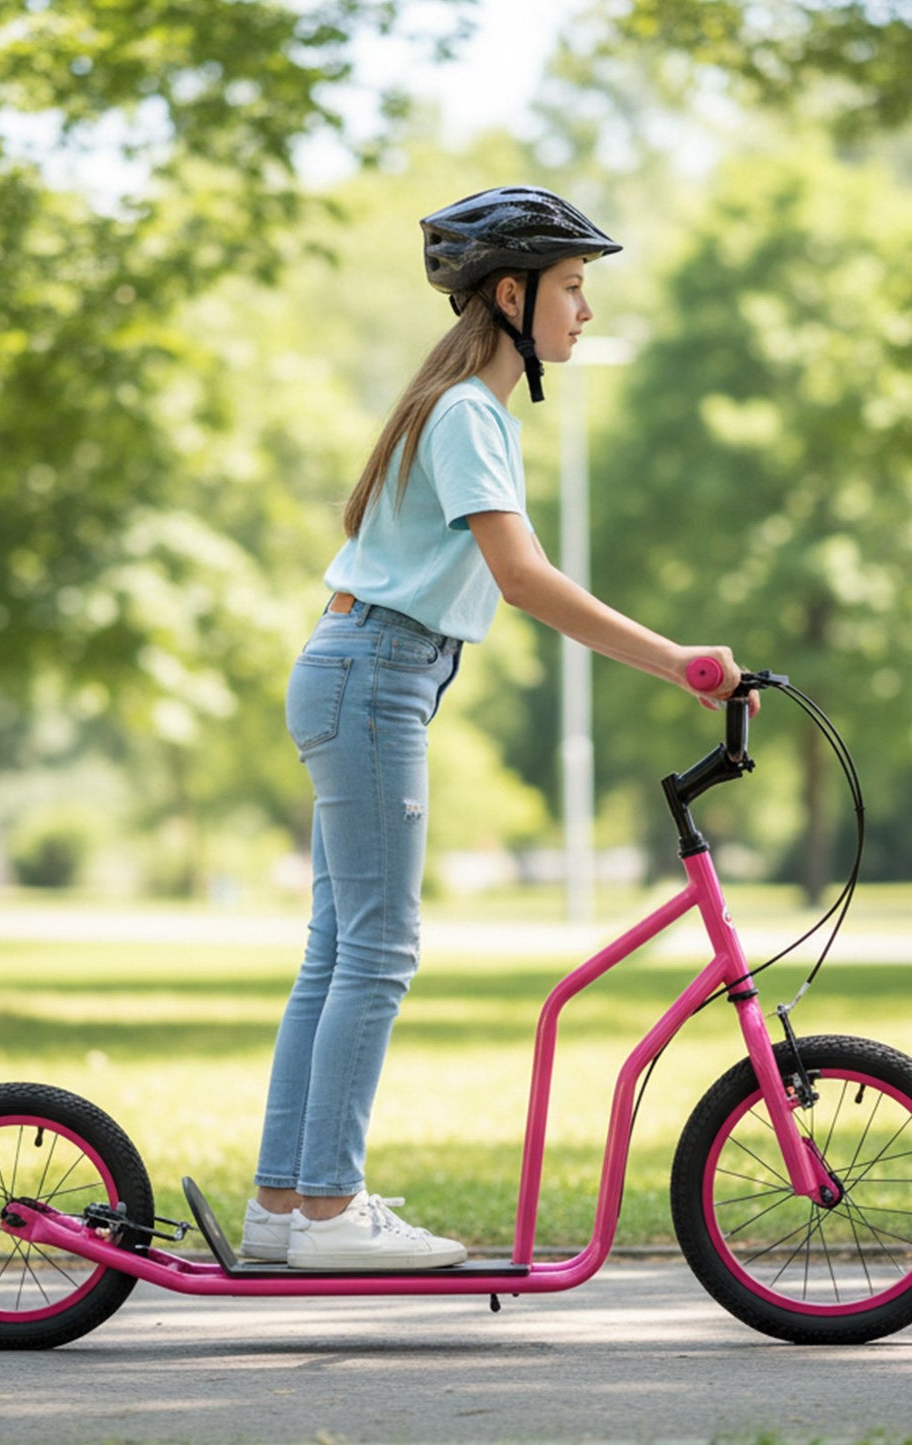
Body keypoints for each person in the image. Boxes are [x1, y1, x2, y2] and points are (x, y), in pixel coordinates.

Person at [243, 185, 754, 1271]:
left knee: (338, 951)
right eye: (572, 288)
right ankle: (327, 1214)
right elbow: (520, 579)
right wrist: (676, 660)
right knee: (373, 950)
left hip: (364, 670)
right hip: (372, 677)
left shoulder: (455, 409)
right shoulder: (467, 413)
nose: (585, 311)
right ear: (512, 294)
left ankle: (285, 1206)